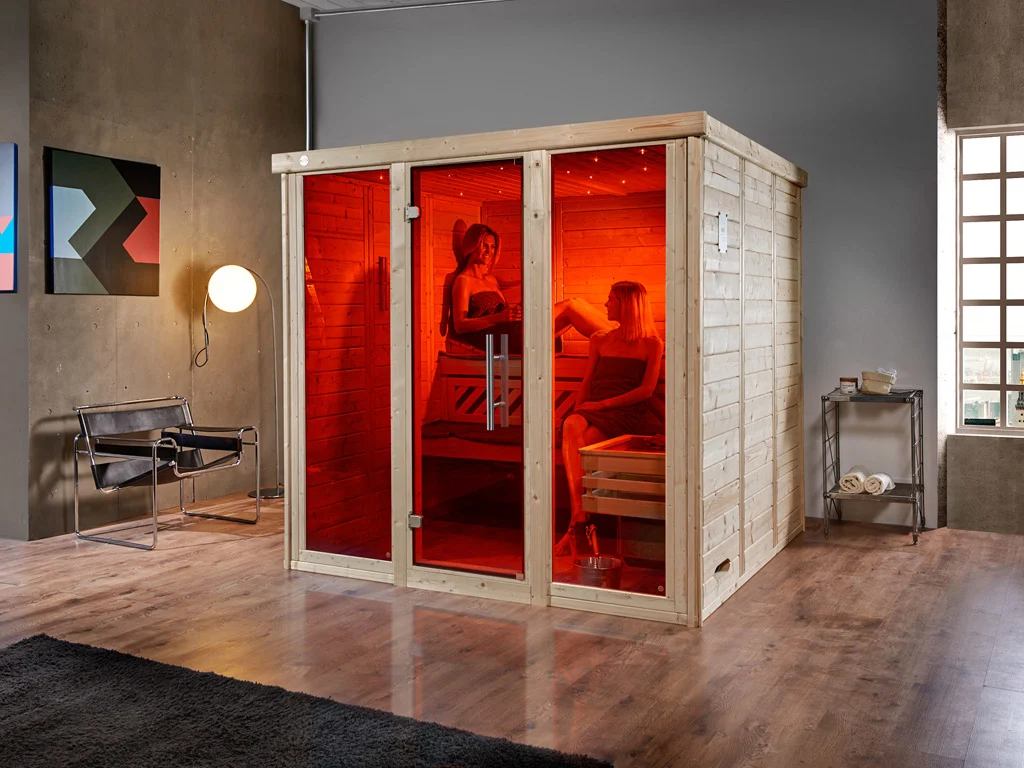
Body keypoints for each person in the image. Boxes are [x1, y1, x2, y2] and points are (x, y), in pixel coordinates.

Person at [554, 281, 665, 557]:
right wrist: (578, 411)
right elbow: (587, 381)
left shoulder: (652, 344)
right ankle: (580, 516)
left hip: (624, 414)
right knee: (571, 426)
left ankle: (576, 525)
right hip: (593, 410)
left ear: (627, 305)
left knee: (582, 450)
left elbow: (646, 391)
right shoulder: (599, 339)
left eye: (610, 299)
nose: (605, 304)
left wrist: (602, 405)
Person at [449, 223, 616, 353]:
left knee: (574, 306)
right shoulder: (463, 281)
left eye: (492, 247)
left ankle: (618, 335)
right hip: (494, 339)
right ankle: (620, 339)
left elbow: (506, 313)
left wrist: (518, 308)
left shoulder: (491, 279)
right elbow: (460, 325)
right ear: (472, 245)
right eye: (484, 245)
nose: (489, 251)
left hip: (509, 331)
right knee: (571, 306)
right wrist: (499, 318)